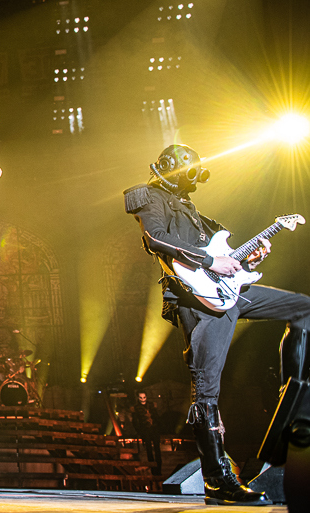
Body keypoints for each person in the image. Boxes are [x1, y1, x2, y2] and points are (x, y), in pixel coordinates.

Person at [123, 144, 310, 506]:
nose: (193, 179)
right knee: (206, 390)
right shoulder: (148, 196)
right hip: (196, 300)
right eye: (188, 171)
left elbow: (225, 257)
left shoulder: (194, 211)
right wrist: (211, 261)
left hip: (229, 292)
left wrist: (246, 259)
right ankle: (217, 479)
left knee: (304, 308)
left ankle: (294, 401)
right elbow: (156, 238)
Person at [129, 391, 162, 476]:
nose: (143, 399)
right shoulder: (136, 408)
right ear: (138, 398)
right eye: (141, 398)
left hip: (154, 429)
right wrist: (140, 431)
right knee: (149, 450)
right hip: (145, 430)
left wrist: (158, 427)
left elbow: (156, 417)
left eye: (144, 397)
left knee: (157, 450)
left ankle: (159, 470)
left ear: (146, 397)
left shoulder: (151, 405)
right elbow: (135, 422)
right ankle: (153, 471)